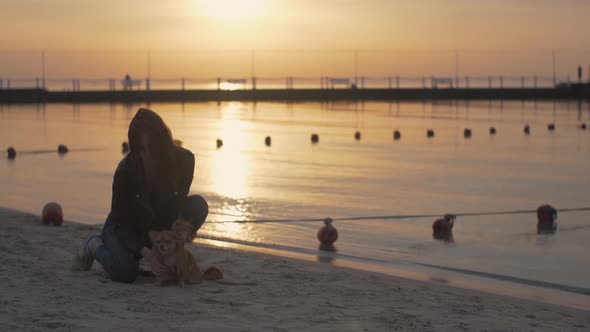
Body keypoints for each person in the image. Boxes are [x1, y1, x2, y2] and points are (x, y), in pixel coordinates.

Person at [72, 108, 208, 283]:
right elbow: (122, 224)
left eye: (152, 148)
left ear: (163, 144)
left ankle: (166, 258)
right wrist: (148, 255)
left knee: (198, 205)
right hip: (125, 227)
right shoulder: (125, 171)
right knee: (125, 273)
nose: (146, 155)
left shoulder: (185, 160)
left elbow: (179, 203)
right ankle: (94, 246)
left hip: (158, 223)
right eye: (140, 149)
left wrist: (180, 233)